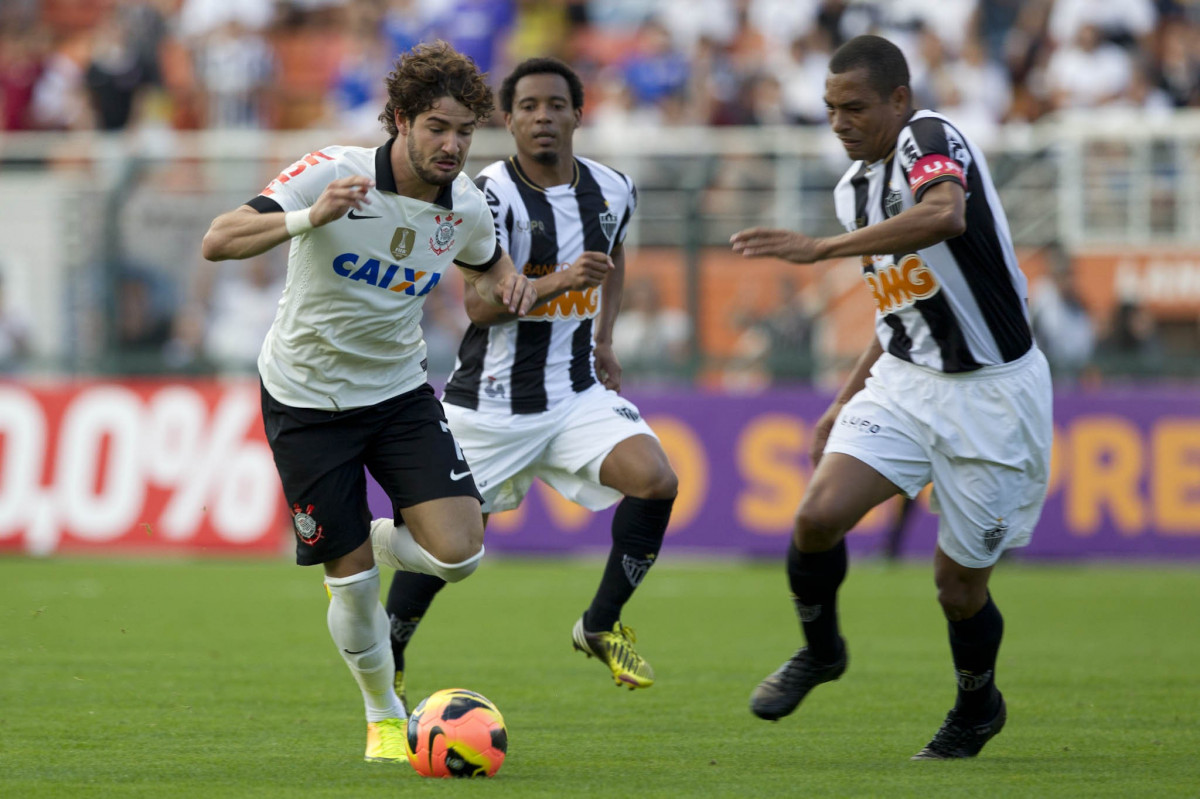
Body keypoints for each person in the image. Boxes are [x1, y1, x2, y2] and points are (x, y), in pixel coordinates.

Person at [199, 41, 537, 765]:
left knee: (462, 553)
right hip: (305, 399)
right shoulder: (335, 173)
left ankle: (371, 534)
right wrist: (308, 219)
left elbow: (488, 274)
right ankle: (383, 713)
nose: (452, 145)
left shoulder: (467, 206)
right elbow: (218, 240)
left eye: (465, 132)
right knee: (351, 588)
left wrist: (507, 289)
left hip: (397, 393)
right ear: (401, 120)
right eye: (438, 127)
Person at [731, 34, 1052, 760]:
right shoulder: (853, 192)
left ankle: (978, 705)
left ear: (899, 100)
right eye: (829, 109)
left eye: (855, 107)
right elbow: (898, 307)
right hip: (906, 382)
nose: (839, 121)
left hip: (994, 395)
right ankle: (822, 650)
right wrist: (842, 398)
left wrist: (818, 250)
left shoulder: (929, 137)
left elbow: (945, 215)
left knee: (957, 588)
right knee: (816, 516)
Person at [371, 57, 678, 698]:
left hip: (574, 393)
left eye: (556, 105)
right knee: (449, 548)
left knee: (655, 481)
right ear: (507, 120)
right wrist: (560, 280)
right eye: (529, 107)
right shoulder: (485, 194)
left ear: (577, 114)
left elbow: (612, 255)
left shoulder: (614, 188)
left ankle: (600, 624)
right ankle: (392, 647)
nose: (544, 117)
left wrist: (605, 337)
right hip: (488, 402)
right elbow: (480, 305)